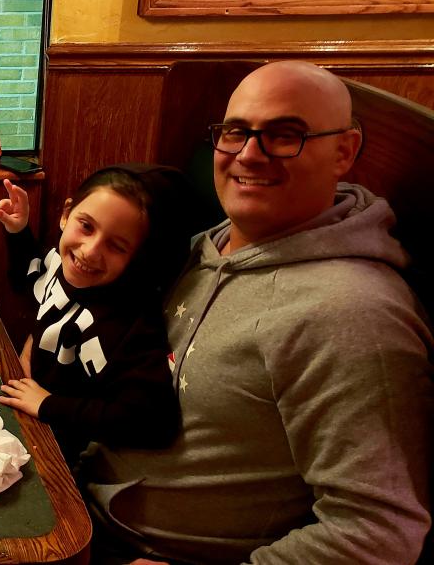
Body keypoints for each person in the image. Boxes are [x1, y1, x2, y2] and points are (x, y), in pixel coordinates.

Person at [79, 61, 433, 564]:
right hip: (78, 501)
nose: (249, 154)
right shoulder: (202, 245)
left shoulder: (352, 315)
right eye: (236, 131)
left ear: (344, 151)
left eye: (285, 135)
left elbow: (378, 534)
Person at [0, 164, 187, 465]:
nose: (91, 251)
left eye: (116, 246)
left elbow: (153, 423)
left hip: (67, 459)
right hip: (30, 419)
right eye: (86, 226)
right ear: (66, 213)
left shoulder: (133, 324)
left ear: (135, 256)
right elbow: (30, 279)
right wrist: (18, 232)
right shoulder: (61, 263)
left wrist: (48, 404)